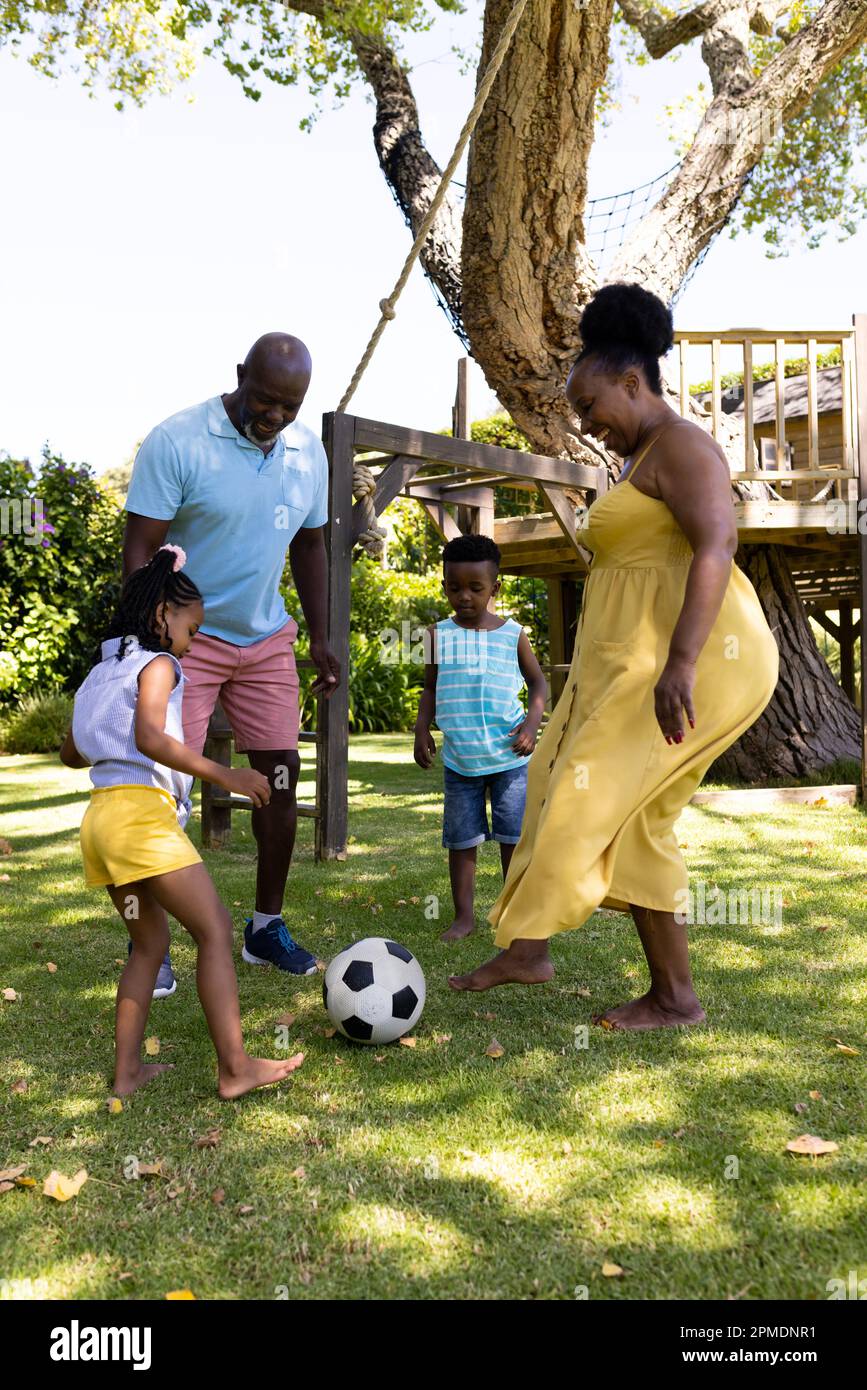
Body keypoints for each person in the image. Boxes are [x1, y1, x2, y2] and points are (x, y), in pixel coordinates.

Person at [449, 282, 779, 1029]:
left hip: (698, 663)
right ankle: (619, 979)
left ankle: (583, 966)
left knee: (597, 799)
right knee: (571, 786)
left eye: (591, 406)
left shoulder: (685, 447)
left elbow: (716, 546)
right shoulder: (639, 461)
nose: (588, 424)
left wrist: (683, 662)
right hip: (638, 661)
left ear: (631, 383)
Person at [121, 333, 341, 996]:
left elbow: (310, 544)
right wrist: (149, 641)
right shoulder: (178, 440)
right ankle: (148, 941)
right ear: (239, 376)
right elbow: (139, 548)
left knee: (276, 777)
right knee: (160, 791)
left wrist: (324, 635)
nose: (273, 416)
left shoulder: (307, 450)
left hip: (265, 636)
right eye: (263, 399)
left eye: (289, 406)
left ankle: (265, 928)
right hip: (187, 639)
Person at [60, 546, 304, 1098]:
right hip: (142, 820)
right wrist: (226, 774)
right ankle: (236, 1068)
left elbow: (70, 753)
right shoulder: (159, 664)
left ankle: (126, 1075)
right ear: (162, 615)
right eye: (192, 629)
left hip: (100, 825)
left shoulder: (101, 671)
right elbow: (150, 737)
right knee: (215, 930)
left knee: (149, 946)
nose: (193, 643)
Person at [414, 535, 547, 941]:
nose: (465, 597)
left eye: (476, 588)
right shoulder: (437, 634)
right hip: (460, 760)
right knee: (462, 841)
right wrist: (421, 728)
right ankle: (464, 917)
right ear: (444, 586)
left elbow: (538, 684)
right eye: (455, 588)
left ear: (495, 588)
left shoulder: (513, 634)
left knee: (512, 838)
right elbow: (431, 688)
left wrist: (530, 724)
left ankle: (513, 910)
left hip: (509, 758)